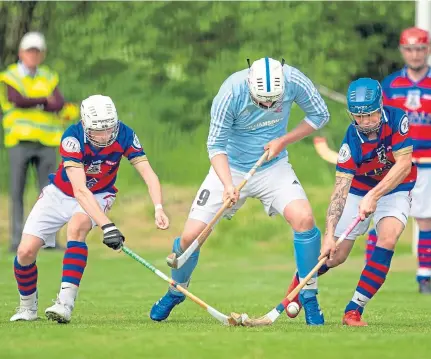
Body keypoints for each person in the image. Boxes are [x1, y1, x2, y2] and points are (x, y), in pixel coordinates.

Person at [149, 57, 330, 326]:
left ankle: (309, 296)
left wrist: (283, 140)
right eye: (262, 101)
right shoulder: (230, 92)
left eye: (274, 101)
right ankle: (176, 290)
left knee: (304, 219)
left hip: (273, 166)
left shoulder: (293, 79)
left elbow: (320, 115)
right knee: (190, 236)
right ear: (249, 84)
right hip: (230, 167)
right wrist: (228, 185)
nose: (269, 106)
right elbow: (215, 145)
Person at [9, 94, 170, 323]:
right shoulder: (72, 138)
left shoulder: (125, 134)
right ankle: (27, 307)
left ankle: (64, 304)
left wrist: (158, 207)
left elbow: (148, 174)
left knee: (77, 227)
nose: (104, 136)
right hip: (61, 193)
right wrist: (108, 227)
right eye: (97, 131)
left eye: (109, 129)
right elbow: (80, 191)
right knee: (25, 252)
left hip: (100, 193)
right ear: (85, 125)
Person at [284, 78, 417, 326]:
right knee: (335, 257)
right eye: (358, 116)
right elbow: (340, 190)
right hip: (359, 189)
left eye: (369, 115)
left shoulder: (399, 119)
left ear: (381, 106)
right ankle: (297, 289)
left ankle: (353, 309)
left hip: (397, 187)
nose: (364, 122)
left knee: (388, 237)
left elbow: (404, 164)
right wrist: (329, 234)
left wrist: (374, 195)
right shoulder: (351, 139)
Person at [365, 27, 431, 294]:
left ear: (429, 49)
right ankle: (371, 274)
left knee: (425, 220)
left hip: (427, 163)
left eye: (420, 49)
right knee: (382, 219)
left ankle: (424, 279)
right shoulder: (389, 85)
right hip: (393, 165)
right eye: (410, 49)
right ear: (402, 51)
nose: (415, 54)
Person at [0, 31, 68, 252]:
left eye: (37, 52)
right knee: (17, 192)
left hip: (46, 142)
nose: (33, 55)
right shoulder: (10, 76)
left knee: (49, 194)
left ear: (42, 54)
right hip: (20, 141)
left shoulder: (49, 76)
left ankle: (48, 240)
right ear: (21, 53)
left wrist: (35, 102)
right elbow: (16, 99)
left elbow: (58, 103)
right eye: (30, 51)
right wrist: (42, 100)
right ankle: (17, 239)